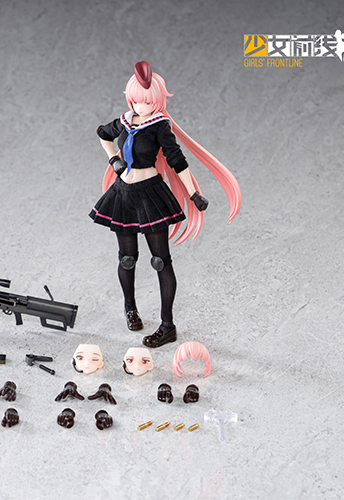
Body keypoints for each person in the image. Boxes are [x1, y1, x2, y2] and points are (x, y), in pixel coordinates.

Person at [89, 62, 241, 348]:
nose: (141, 105)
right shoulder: (125, 121)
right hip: (123, 193)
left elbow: (176, 160)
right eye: (137, 99)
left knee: (160, 261)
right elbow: (102, 134)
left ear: (157, 100)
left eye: (147, 100)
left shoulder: (159, 125)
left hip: (150, 194)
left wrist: (194, 193)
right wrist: (114, 160)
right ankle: (130, 309)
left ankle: (167, 325)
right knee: (126, 258)